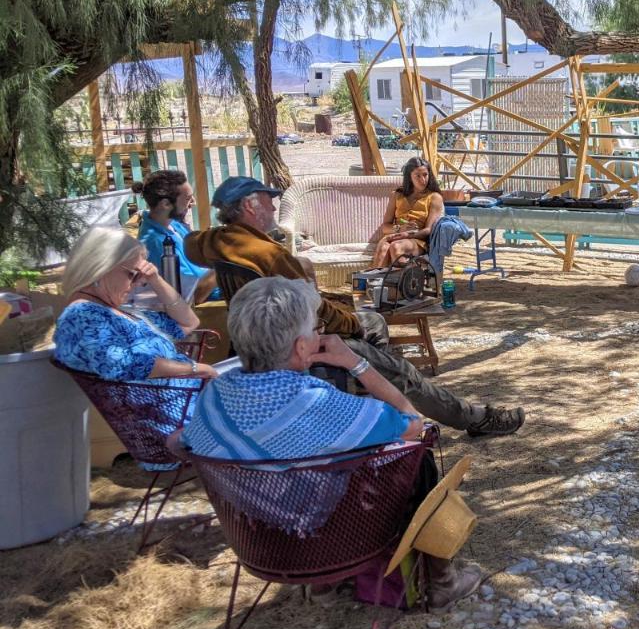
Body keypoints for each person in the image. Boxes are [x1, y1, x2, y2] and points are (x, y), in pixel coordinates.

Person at [184, 276, 479, 606]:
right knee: (416, 456)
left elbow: (178, 443)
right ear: (300, 346)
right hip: (329, 542)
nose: (320, 334)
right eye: (315, 329)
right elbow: (413, 422)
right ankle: (441, 583)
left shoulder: (213, 397)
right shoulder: (316, 403)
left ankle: (327, 588)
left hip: (261, 542)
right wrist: (356, 362)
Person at [184, 175, 524, 436]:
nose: (274, 208)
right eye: (267, 202)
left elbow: (189, 244)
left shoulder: (213, 242)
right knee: (397, 365)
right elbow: (318, 313)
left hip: (253, 341)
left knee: (374, 322)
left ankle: (373, 391)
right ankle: (471, 417)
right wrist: (351, 323)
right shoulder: (269, 255)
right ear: (249, 207)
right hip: (298, 343)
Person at [53, 227, 219, 469]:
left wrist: (155, 278)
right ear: (101, 268)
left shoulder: (112, 310)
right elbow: (123, 364)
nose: (137, 284)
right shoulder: (82, 315)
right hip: (176, 426)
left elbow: (189, 322)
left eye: (139, 277)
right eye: (132, 275)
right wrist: (194, 368)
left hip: (191, 410)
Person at [132, 169, 218, 302]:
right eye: (188, 198)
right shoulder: (155, 244)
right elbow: (193, 295)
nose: (193, 203)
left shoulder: (174, 225)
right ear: (166, 204)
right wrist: (226, 263)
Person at [370, 157, 444, 268]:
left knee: (396, 247)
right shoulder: (397, 195)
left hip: (417, 239)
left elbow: (428, 230)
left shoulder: (434, 197)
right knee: (384, 248)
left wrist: (407, 234)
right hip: (396, 235)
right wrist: (400, 229)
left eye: (425, 175)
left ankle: (403, 282)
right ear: (409, 177)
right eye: (417, 176)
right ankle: (376, 283)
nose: (423, 180)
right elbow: (385, 227)